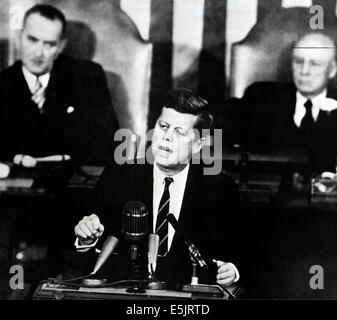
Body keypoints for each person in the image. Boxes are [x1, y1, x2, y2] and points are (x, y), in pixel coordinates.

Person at [73, 88, 245, 288]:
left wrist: (232, 270)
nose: (167, 137)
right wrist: (86, 240)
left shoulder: (219, 188)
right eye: (163, 126)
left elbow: (240, 253)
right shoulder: (119, 176)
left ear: (199, 144)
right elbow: (90, 252)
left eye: (179, 132)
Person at [0, 4, 118, 165]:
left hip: (71, 183)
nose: (38, 53)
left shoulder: (87, 78)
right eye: (32, 40)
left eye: (49, 44)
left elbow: (105, 142)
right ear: (20, 38)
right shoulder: (3, 83)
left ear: (60, 46)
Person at [230, 32, 337, 173]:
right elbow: (215, 128)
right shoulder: (259, 97)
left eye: (314, 64)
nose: (304, 71)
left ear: (332, 70)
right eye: (298, 62)